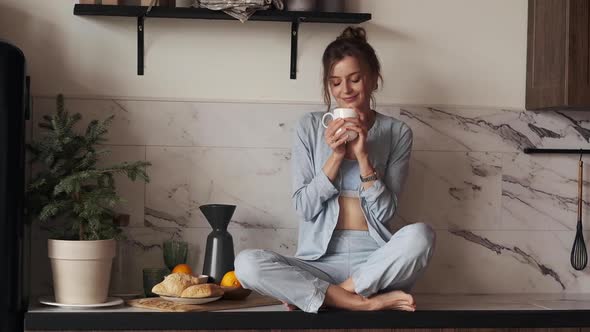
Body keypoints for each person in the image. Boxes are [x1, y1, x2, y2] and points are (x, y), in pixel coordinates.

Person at [234, 26, 435, 313]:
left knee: (421, 236)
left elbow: (386, 212)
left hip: (375, 263)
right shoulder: (309, 127)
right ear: (328, 85)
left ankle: (332, 296)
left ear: (374, 79)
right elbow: (304, 207)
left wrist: (364, 157)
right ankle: (362, 303)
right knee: (246, 265)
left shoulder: (397, 132)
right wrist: (336, 156)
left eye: (355, 79)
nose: (345, 90)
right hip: (318, 264)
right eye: (336, 82)